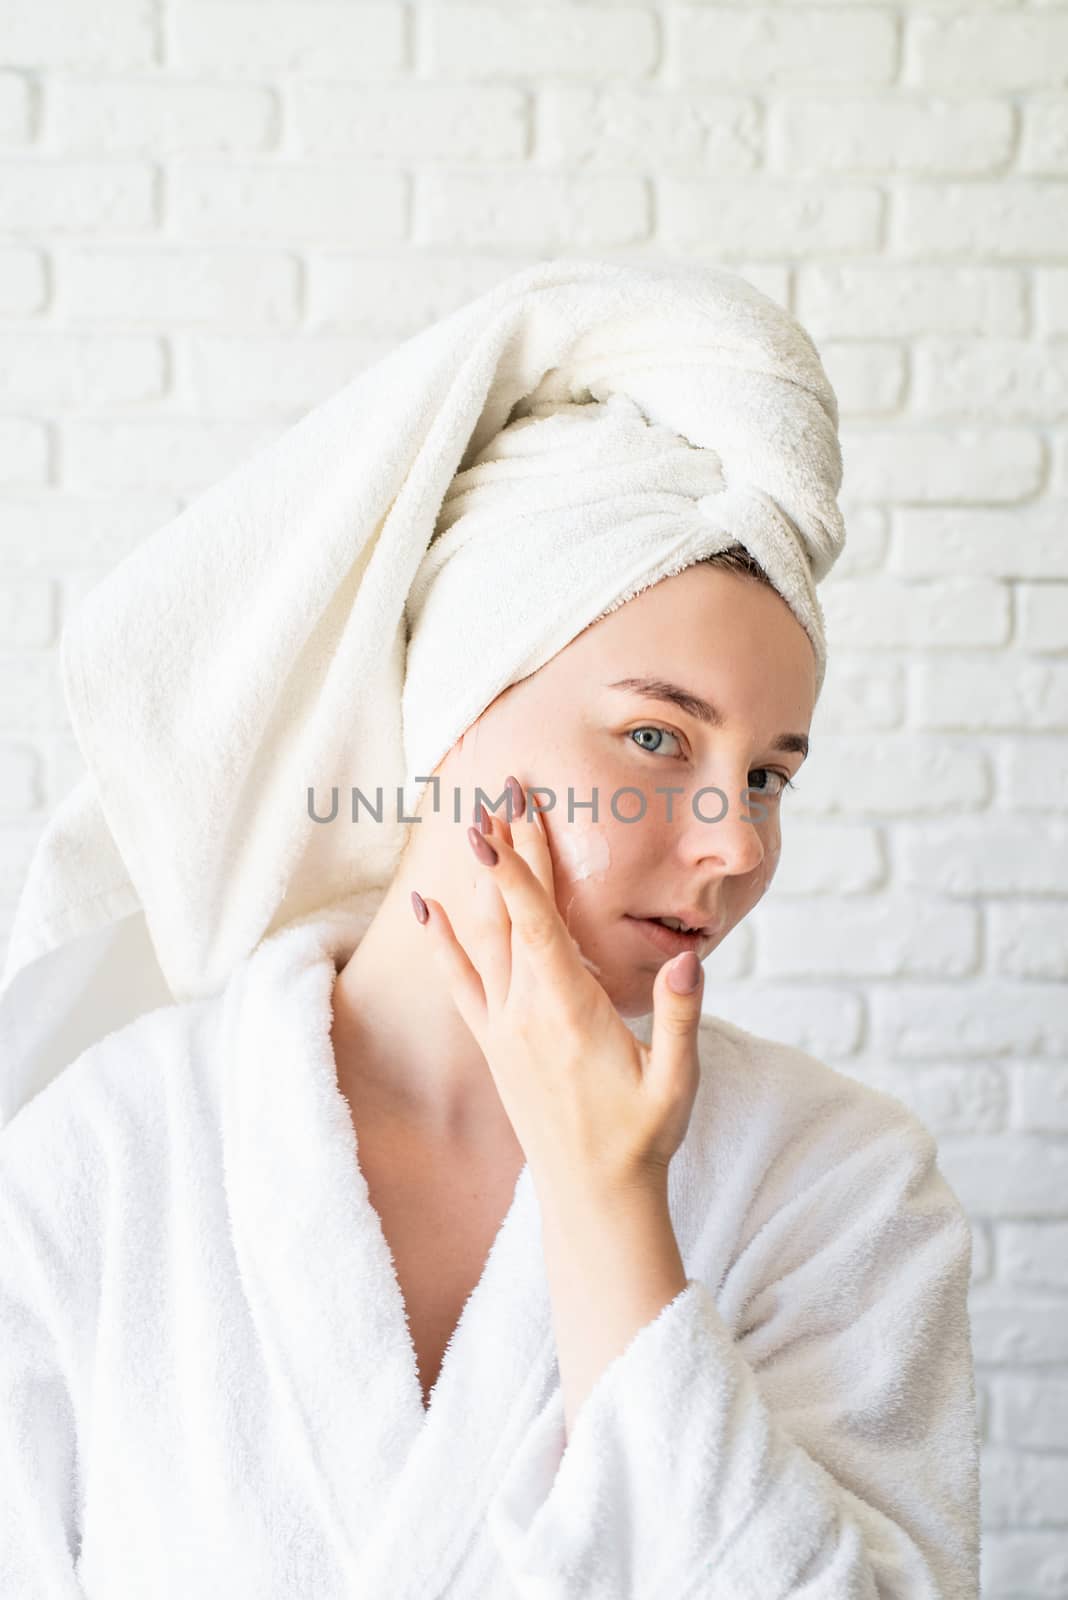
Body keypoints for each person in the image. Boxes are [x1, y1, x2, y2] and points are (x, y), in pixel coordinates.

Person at [0, 259, 980, 1598]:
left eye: (767, 776)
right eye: (654, 736)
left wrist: (610, 1207)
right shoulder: (109, 1157)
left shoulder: (841, 1187)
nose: (737, 843)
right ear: (449, 707)